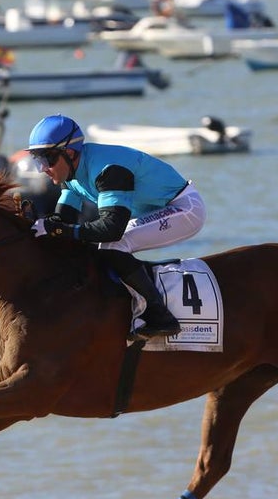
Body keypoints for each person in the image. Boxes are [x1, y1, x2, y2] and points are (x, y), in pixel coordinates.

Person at [26, 114, 206, 339]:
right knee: (96, 244)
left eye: (47, 160)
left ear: (69, 153)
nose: (43, 168)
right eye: (38, 160)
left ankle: (159, 316)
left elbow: (111, 229)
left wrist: (61, 230)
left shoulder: (109, 170)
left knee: (111, 245)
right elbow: (62, 222)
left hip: (184, 209)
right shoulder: (70, 174)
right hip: (156, 210)